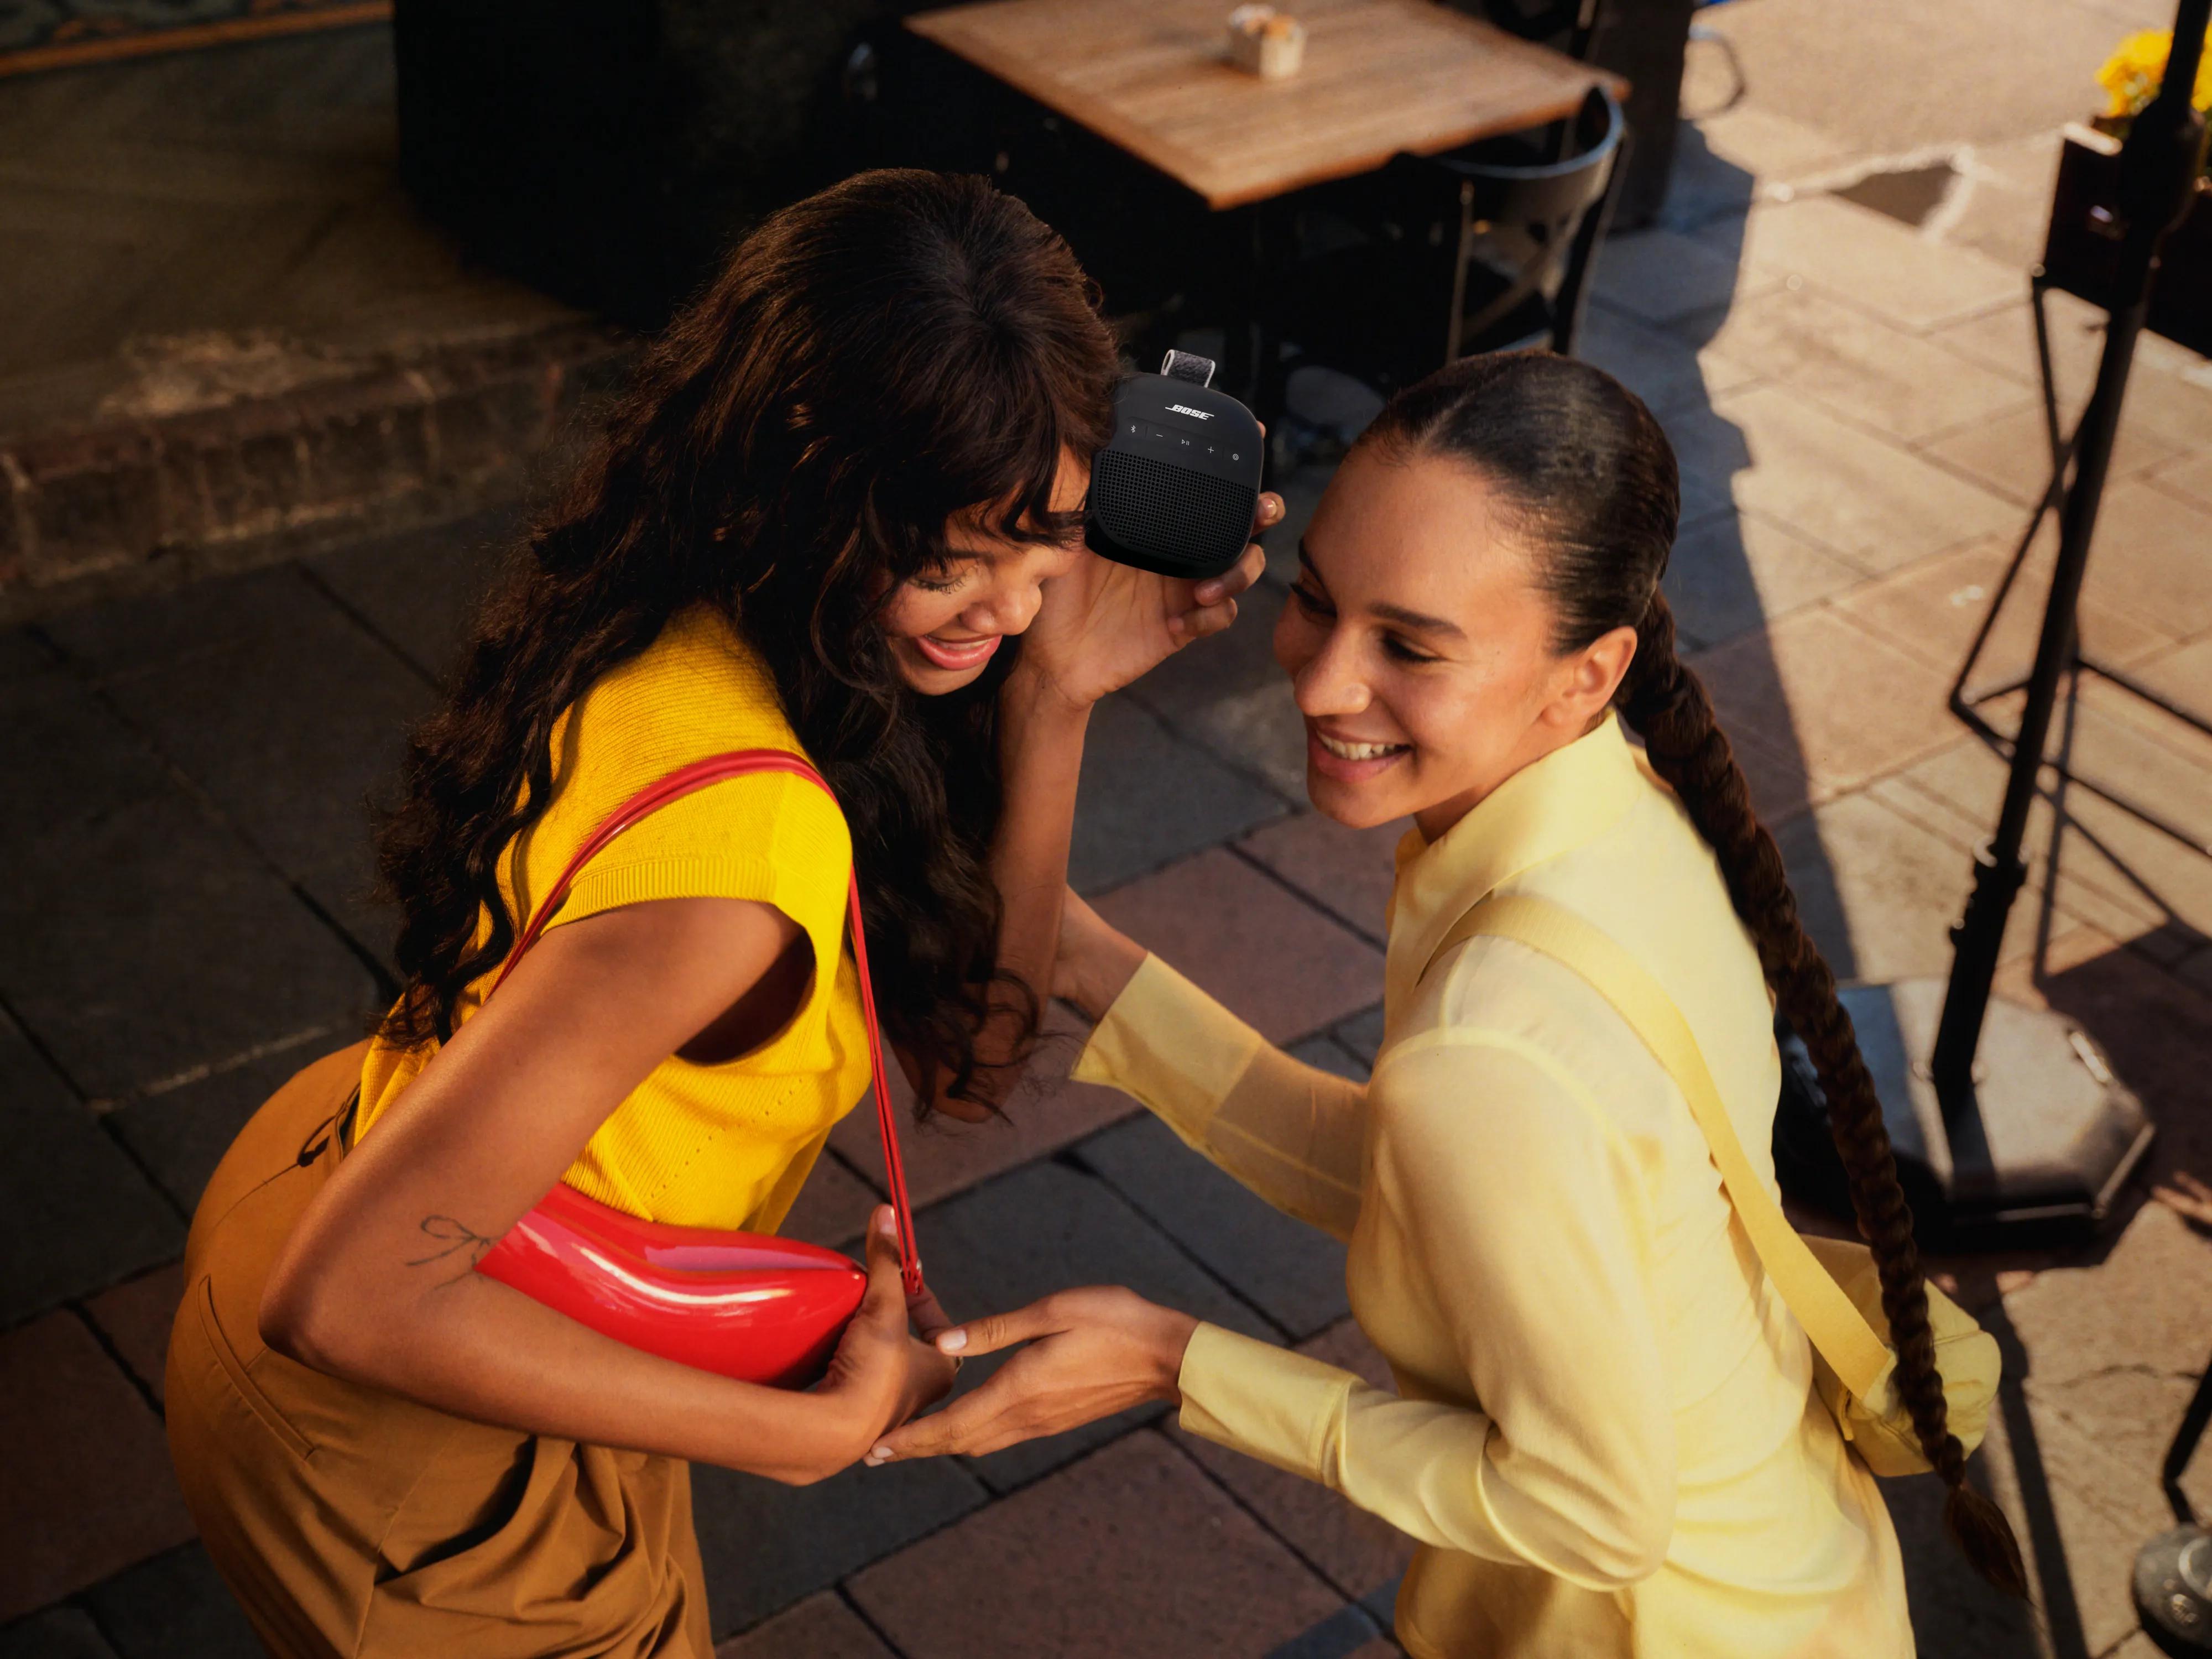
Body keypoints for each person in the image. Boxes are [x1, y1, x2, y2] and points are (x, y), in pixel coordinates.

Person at [163, 169, 1275, 1658]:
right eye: (951, 550)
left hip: (421, 1194)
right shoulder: (734, 877)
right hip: (415, 1417)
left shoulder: (693, 597)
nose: (1007, 606)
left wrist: (1054, 698)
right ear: (810, 488)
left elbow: (963, 1049)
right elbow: (354, 1298)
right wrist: (808, 1442)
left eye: (1049, 538)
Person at [869, 352, 2025, 1656]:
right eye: (1313, 601)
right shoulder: (1621, 817)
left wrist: (1173, 1362)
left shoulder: (1495, 1042)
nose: (1313, 682)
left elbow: (1592, 1513)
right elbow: (1437, 1173)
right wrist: (1080, 955)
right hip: (1794, 1574)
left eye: (1408, 647)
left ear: (1583, 674)